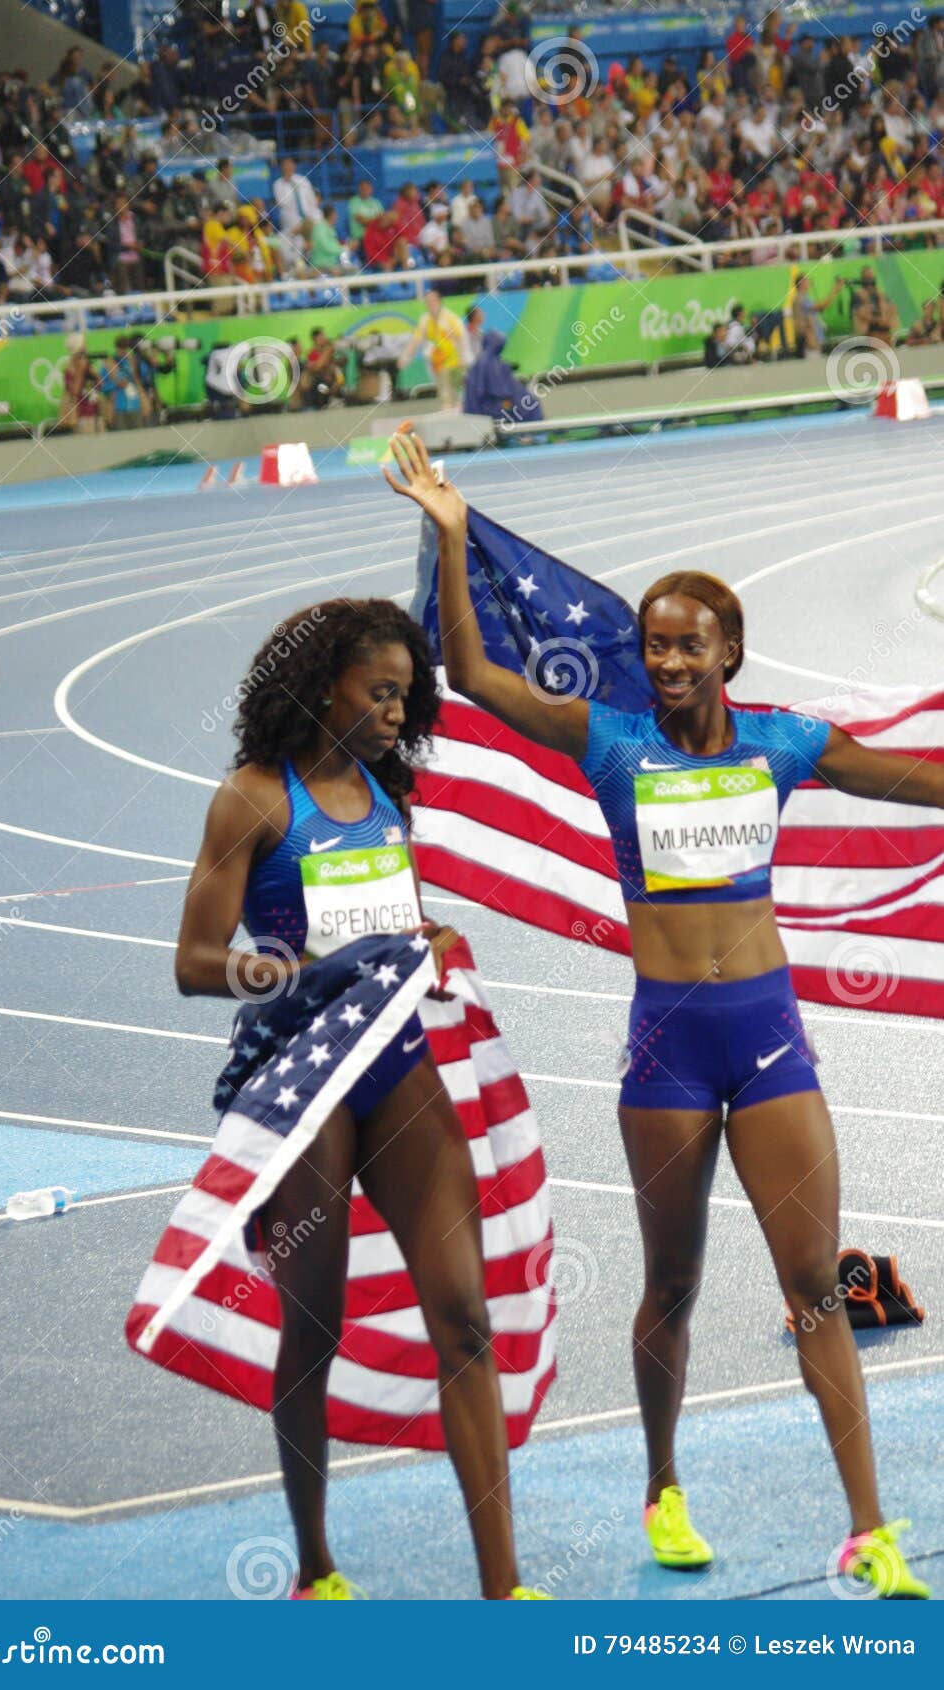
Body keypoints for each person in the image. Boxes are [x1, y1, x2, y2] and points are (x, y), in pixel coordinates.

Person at [383, 427, 934, 1602]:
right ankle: (664, 1483)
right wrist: (448, 533)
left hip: (769, 1037)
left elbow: (917, 781)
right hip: (663, 1051)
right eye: (652, 645)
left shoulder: (786, 744)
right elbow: (476, 680)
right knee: (671, 1286)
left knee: (815, 1285)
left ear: (729, 650)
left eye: (687, 645)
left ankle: (868, 1528)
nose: (667, 661)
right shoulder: (611, 742)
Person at [165, 598, 548, 1601]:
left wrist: (429, 939)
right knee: (314, 1327)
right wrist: (299, 972)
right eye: (378, 691)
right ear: (321, 686)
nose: (395, 710)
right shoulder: (252, 798)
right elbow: (196, 961)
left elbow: (396, 923)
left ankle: (503, 1588)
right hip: (299, 1080)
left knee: (463, 1316)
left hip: (394, 1060)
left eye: (403, 694)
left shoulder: (390, 794)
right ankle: (314, 1563)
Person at [398, 288, 469, 410]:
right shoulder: (425, 320)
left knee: (459, 392)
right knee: (444, 393)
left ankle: (460, 407)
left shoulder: (450, 318)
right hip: (439, 362)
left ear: (440, 302)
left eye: (433, 301)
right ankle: (448, 409)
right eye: (428, 302)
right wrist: (405, 357)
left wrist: (463, 358)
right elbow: (415, 341)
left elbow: (461, 339)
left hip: (455, 360)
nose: (431, 305)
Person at [849, 265, 901, 343]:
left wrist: (884, 318)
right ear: (862, 278)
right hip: (869, 329)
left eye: (871, 277)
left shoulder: (880, 293)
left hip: (884, 327)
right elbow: (859, 312)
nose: (870, 280)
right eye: (867, 277)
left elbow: (893, 308)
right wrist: (877, 320)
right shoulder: (858, 294)